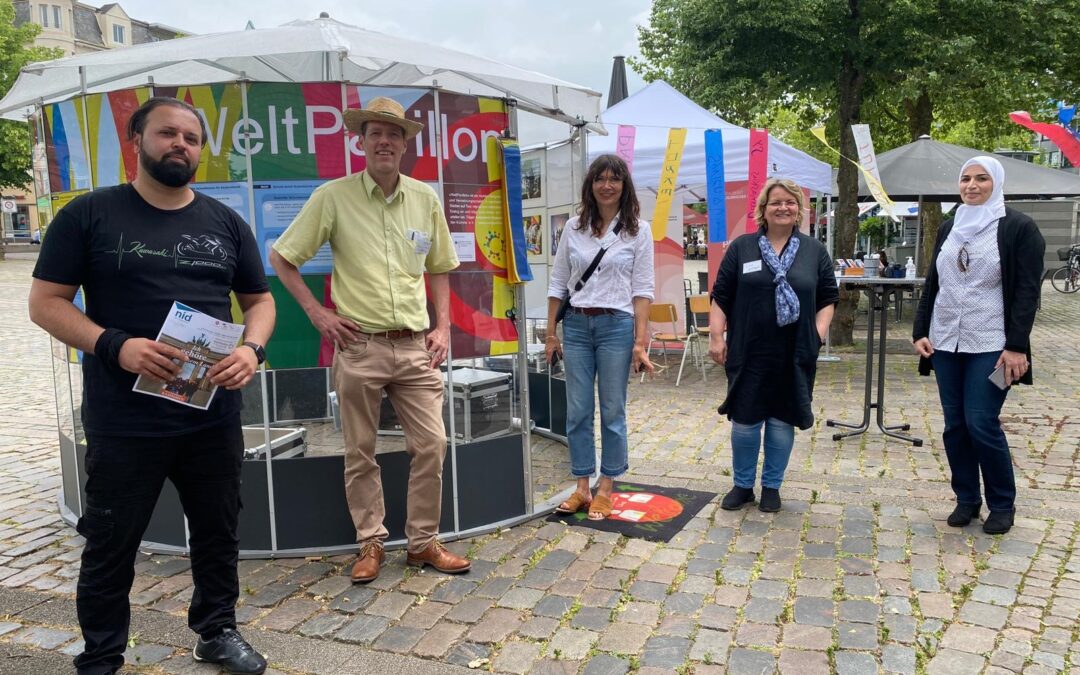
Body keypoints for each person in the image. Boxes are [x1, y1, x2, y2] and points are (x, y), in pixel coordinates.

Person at [28, 97, 275, 675]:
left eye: (192, 137)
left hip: (211, 413)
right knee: (111, 542)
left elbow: (260, 302)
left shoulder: (225, 223)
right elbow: (45, 303)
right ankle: (102, 656)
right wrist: (115, 344)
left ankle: (216, 630)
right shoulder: (89, 216)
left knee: (218, 531)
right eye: (168, 133)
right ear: (136, 138)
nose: (180, 145)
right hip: (124, 418)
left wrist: (251, 350)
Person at [269, 97, 470, 582]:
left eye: (394, 134)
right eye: (375, 133)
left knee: (433, 444)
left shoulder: (425, 199)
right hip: (360, 346)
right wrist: (318, 314)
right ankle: (371, 543)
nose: (384, 141)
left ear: (405, 144)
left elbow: (440, 268)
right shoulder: (332, 197)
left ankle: (422, 543)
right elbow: (282, 257)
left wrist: (442, 327)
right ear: (360, 142)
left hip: (415, 345)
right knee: (360, 450)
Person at [913, 156, 1044, 535]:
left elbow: (1026, 292)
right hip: (946, 342)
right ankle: (966, 499)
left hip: (995, 344)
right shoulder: (950, 228)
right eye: (966, 179)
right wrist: (921, 330)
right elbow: (934, 284)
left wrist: (1017, 346)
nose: (972, 185)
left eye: (981, 179)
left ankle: (1002, 504)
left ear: (996, 183)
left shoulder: (1019, 228)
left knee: (982, 422)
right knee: (955, 425)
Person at [708, 178, 838, 512]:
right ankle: (742, 485)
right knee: (746, 421)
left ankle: (772, 486)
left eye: (790, 202)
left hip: (794, 350)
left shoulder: (814, 251)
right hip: (749, 348)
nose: (783, 207)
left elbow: (827, 297)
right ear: (763, 209)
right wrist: (716, 336)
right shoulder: (742, 248)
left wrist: (818, 334)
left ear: (799, 209)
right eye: (776, 202)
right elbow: (722, 295)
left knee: (782, 420)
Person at [546, 154, 655, 520]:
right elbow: (558, 282)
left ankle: (606, 486)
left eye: (615, 179)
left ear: (625, 185)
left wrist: (640, 342)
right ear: (590, 185)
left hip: (617, 327)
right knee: (577, 411)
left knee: (612, 411)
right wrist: (550, 333)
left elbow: (642, 289)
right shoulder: (573, 228)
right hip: (576, 326)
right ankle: (581, 486)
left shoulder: (638, 230)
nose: (607, 185)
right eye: (600, 179)